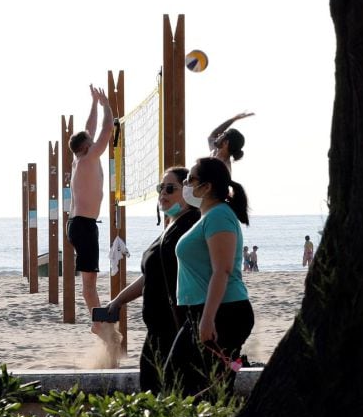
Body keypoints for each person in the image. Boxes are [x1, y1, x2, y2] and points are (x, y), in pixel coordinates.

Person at [102, 167, 201, 392]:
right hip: (157, 330)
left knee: (169, 392)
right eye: (160, 189)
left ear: (187, 192)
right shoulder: (171, 228)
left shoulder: (192, 228)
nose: (162, 194)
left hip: (177, 329)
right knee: (151, 390)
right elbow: (150, 276)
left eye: (170, 188)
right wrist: (117, 301)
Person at [169, 157, 254, 398]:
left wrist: (208, 319)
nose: (185, 184)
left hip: (223, 312)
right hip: (202, 312)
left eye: (190, 179)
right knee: (186, 380)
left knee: (201, 386)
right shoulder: (208, 216)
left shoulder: (219, 216)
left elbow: (223, 269)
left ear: (206, 187)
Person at [70, 85, 113, 325]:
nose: (93, 138)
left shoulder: (80, 158)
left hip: (81, 224)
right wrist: (106, 105)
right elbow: (106, 129)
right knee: (89, 284)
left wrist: (93, 102)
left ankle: (98, 322)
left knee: (89, 281)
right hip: (83, 225)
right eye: (90, 140)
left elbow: (90, 128)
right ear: (86, 147)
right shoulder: (88, 158)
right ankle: (98, 326)